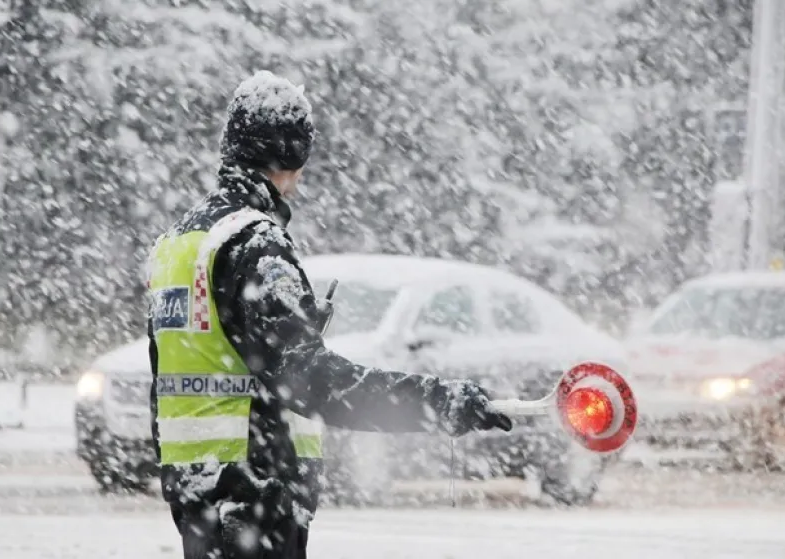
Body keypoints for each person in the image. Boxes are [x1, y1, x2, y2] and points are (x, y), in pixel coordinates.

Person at [146, 71, 512, 559]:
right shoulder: (255, 244)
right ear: (293, 153)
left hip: (199, 495)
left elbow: (179, 373)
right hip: (256, 492)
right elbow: (315, 383)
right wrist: (439, 401)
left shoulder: (179, 243)